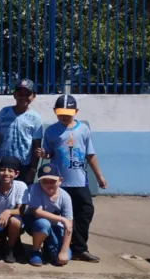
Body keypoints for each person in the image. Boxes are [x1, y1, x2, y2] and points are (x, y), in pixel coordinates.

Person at [36, 94, 107, 263]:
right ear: (55, 112)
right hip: (59, 183)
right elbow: (48, 153)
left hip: (79, 181)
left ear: (76, 111)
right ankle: (53, 246)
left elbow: (90, 155)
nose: (64, 116)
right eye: (61, 113)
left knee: (84, 213)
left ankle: (79, 248)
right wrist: (43, 154)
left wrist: (99, 176)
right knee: (57, 216)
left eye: (68, 112)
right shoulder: (51, 131)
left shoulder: (83, 129)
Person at [0, 79, 43, 184]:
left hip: (23, 165)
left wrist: (33, 169)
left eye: (27, 94)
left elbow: (36, 145)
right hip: (2, 163)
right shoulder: (4, 112)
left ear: (33, 96)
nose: (23, 97)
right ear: (14, 95)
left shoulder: (35, 118)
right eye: (20, 94)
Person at [23, 164, 73, 267]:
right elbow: (37, 212)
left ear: (60, 180)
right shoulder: (35, 189)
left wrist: (63, 251)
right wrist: (62, 219)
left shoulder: (65, 197)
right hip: (35, 224)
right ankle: (35, 252)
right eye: (44, 181)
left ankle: (47, 247)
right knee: (43, 223)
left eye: (52, 181)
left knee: (62, 259)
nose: (48, 184)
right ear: (39, 181)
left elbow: (69, 226)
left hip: (55, 227)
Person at [0, 156, 29, 263]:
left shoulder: (21, 186)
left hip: (13, 221)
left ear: (16, 174)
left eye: (10, 171)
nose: (6, 173)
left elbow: (20, 210)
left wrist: (8, 212)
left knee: (15, 221)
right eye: (2, 170)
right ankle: (1, 242)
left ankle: (10, 248)